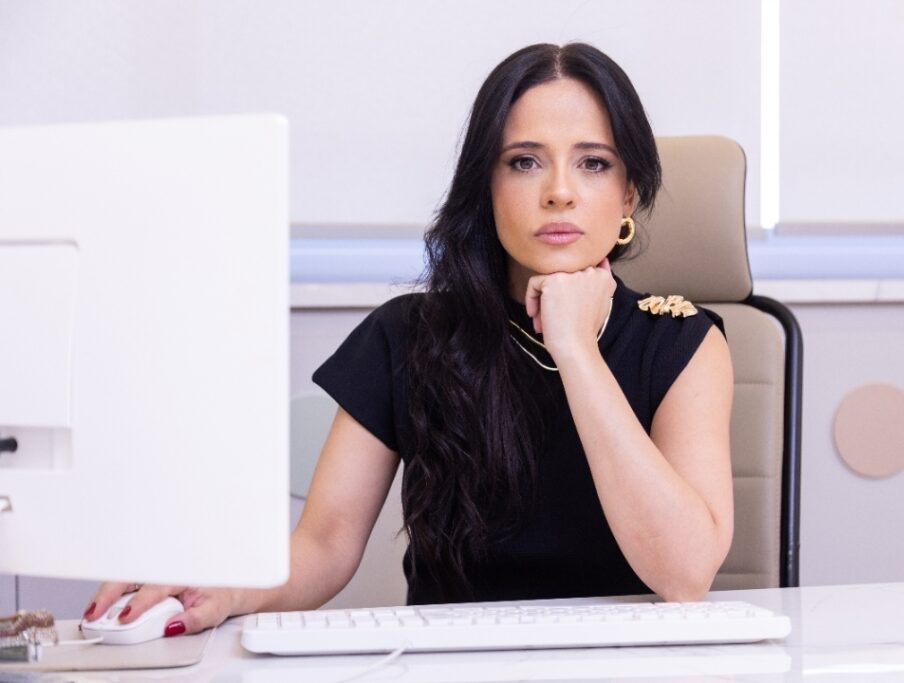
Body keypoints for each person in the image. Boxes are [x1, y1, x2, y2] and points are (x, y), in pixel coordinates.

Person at [83, 42, 734, 638]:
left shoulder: (683, 343)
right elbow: (326, 544)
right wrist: (224, 586)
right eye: (524, 162)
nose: (559, 192)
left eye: (593, 163)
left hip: (629, 660)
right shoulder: (408, 335)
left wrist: (576, 350)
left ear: (628, 194)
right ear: (486, 185)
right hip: (450, 663)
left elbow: (685, 574)